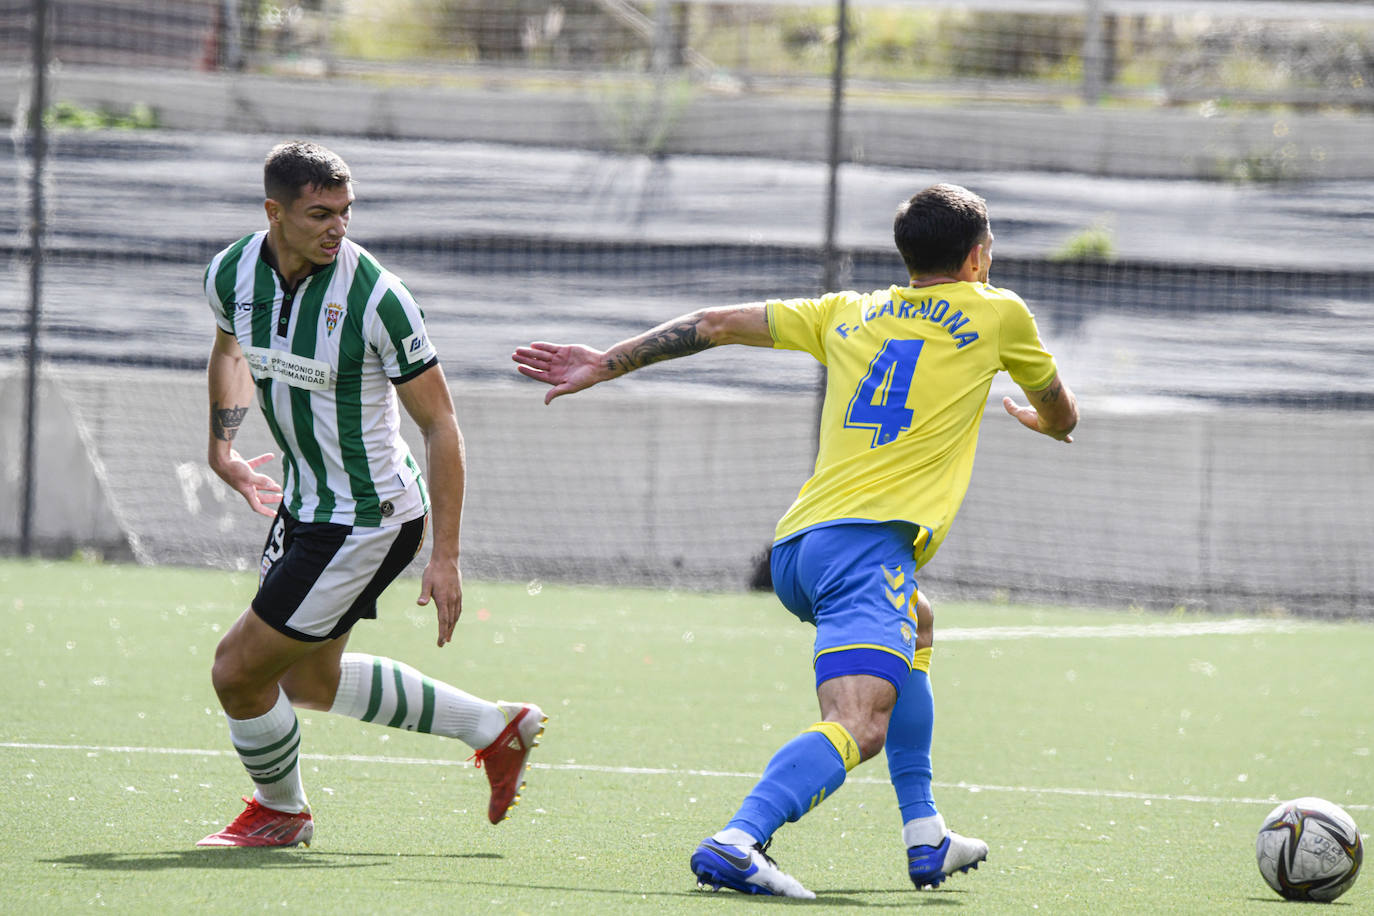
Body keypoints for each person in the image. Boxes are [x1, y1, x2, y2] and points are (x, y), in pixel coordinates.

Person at [512, 183, 1077, 897]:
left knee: (918, 624)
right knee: (857, 724)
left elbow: (714, 323)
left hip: (799, 549)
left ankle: (924, 831)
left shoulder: (849, 310)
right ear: (977, 256)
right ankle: (739, 839)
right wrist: (1051, 424)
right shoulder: (999, 313)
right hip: (865, 552)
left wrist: (608, 362)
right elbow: (1060, 409)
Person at [198, 140, 545, 847]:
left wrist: (444, 556)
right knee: (308, 684)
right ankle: (494, 726)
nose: (337, 227)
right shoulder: (232, 273)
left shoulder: (377, 297)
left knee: (237, 673)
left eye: (345, 212)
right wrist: (222, 448)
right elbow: (231, 352)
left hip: (367, 519)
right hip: (306, 508)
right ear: (275, 212)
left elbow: (441, 424)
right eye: (319, 213)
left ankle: (282, 813)